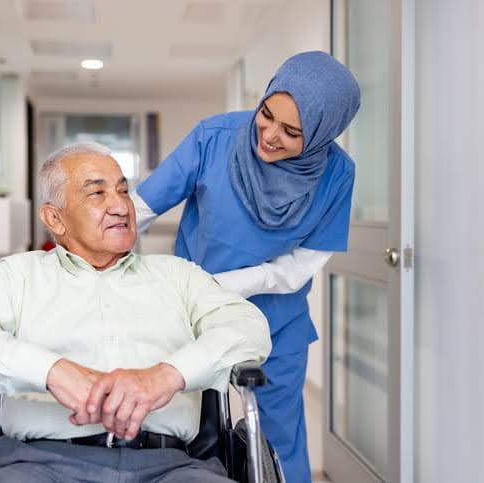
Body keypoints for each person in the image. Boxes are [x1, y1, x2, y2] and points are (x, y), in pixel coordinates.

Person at [0, 142, 271, 483]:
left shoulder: (178, 275)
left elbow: (249, 327)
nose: (121, 206)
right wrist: (53, 372)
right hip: (35, 465)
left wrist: (165, 376)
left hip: (170, 466)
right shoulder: (18, 276)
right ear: (54, 218)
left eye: (123, 191)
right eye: (97, 193)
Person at [132, 51, 360, 482]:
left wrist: (224, 284)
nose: (269, 135)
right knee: (178, 430)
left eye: (291, 132)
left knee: (276, 442)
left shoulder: (337, 175)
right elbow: (141, 207)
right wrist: (88, 251)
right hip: (191, 314)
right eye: (266, 114)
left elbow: (300, 266)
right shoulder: (214, 138)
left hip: (276, 320)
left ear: (322, 134)